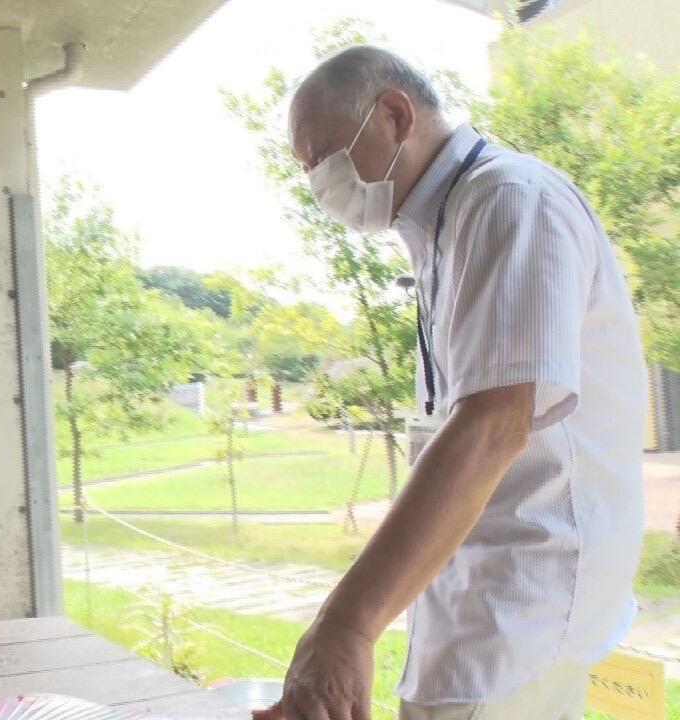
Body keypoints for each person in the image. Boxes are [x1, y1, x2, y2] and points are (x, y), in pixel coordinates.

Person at [259, 46, 646, 719]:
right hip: (482, 593)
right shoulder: (446, 226)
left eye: (322, 159)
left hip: (524, 603)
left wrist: (345, 625)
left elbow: (495, 425)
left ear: (395, 114)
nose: (318, 184)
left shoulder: (508, 200)